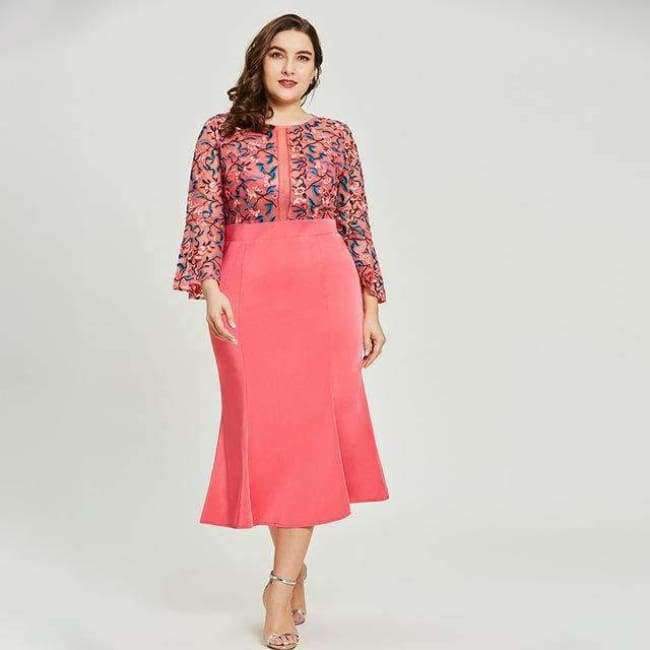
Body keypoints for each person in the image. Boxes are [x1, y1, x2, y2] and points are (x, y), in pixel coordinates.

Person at [172, 13, 390, 650]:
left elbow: (356, 220)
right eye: (278, 54)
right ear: (259, 61)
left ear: (316, 69)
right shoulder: (220, 132)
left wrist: (371, 305)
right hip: (246, 288)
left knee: (309, 437)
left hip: (325, 287)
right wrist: (210, 287)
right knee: (269, 437)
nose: (290, 67)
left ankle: (280, 582)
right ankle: (293, 571)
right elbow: (203, 214)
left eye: (303, 57)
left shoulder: (336, 136)